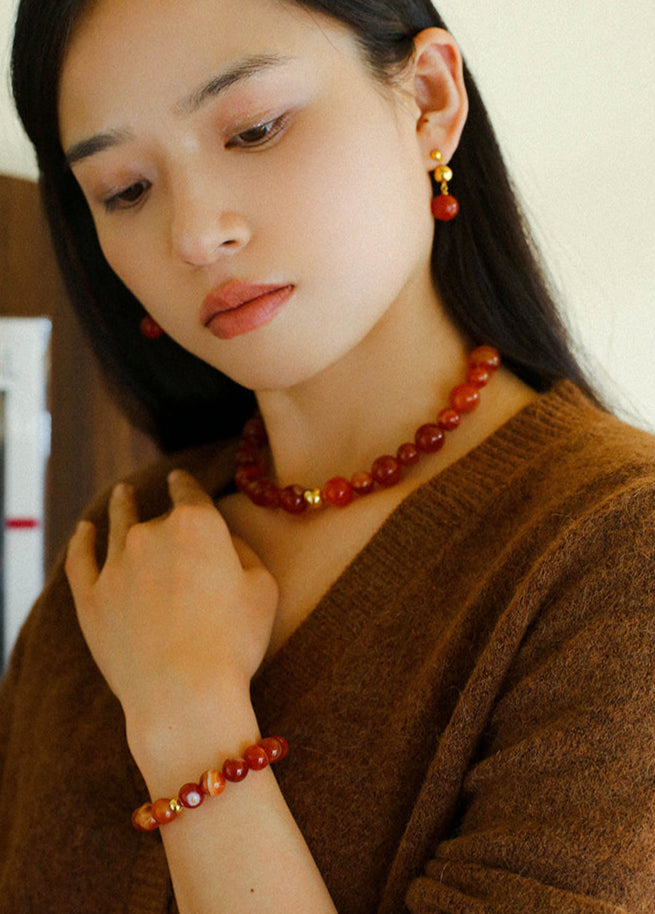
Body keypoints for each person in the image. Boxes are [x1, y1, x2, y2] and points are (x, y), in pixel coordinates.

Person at [2, 0, 655, 911]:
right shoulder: (122, 550)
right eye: (126, 189)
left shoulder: (619, 550)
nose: (195, 236)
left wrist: (187, 714)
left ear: (428, 98)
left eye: (256, 128)